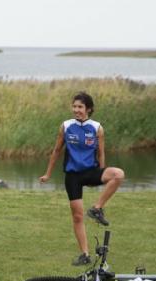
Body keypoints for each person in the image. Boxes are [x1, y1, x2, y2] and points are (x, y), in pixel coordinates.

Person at [39, 92, 125, 266]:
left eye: (80, 107)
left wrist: (101, 173)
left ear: (88, 109)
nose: (76, 110)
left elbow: (101, 152)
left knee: (118, 174)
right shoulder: (65, 126)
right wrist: (48, 174)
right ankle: (84, 254)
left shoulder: (97, 128)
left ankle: (97, 208)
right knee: (77, 216)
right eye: (74, 106)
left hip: (91, 171)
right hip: (73, 177)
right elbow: (56, 151)